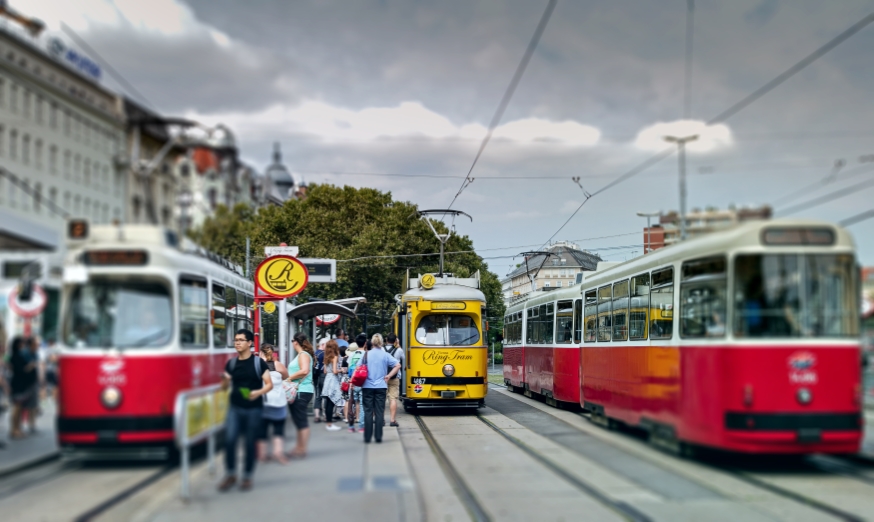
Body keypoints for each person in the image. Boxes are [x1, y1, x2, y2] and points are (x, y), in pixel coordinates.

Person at [218, 329, 273, 492]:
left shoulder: (258, 363)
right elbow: (224, 387)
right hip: (235, 407)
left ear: (250, 343)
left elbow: (269, 384)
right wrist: (225, 381)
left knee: (250, 443)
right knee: (229, 441)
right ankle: (230, 474)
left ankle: (247, 476)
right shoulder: (231, 364)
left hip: (254, 409)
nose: (237, 343)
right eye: (236, 340)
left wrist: (257, 392)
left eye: (241, 340)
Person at [361, 333, 400, 444]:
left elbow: (358, 368)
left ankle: (367, 437)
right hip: (381, 387)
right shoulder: (385, 355)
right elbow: (398, 365)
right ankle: (378, 436)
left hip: (367, 386)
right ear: (382, 342)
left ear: (372, 342)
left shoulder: (366, 355)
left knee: (368, 411)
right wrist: (388, 375)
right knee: (379, 411)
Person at [257, 344, 289, 464]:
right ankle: (278, 453)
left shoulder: (257, 366)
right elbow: (286, 376)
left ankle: (262, 455)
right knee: (278, 429)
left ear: (261, 353)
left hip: (263, 402)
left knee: (263, 430)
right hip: (278, 401)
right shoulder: (277, 364)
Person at [286, 332, 315, 459]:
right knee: (298, 420)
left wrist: (289, 378)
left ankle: (302, 449)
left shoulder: (303, 354)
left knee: (301, 420)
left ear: (295, 342)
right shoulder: (302, 354)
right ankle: (299, 447)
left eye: (292, 341)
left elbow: (304, 370)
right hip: (300, 390)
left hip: (302, 390)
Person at [320, 340, 345, 431]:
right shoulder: (334, 357)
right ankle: (330, 424)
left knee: (328, 403)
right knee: (331, 403)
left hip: (327, 379)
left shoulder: (326, 357)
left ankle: (328, 423)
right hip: (333, 380)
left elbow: (325, 371)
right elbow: (335, 371)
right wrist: (341, 370)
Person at [384, 333, 405, 427]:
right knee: (393, 399)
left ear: (386, 340)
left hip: (383, 377)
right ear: (395, 340)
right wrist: (399, 345)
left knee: (381, 399)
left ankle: (380, 419)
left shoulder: (381, 350)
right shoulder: (399, 350)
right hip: (395, 377)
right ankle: (392, 420)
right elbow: (403, 359)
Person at [312, 338, 327, 423]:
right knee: (325, 396)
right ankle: (325, 415)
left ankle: (317, 416)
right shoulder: (325, 354)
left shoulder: (315, 353)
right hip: (323, 375)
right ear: (323, 344)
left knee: (318, 396)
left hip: (315, 376)